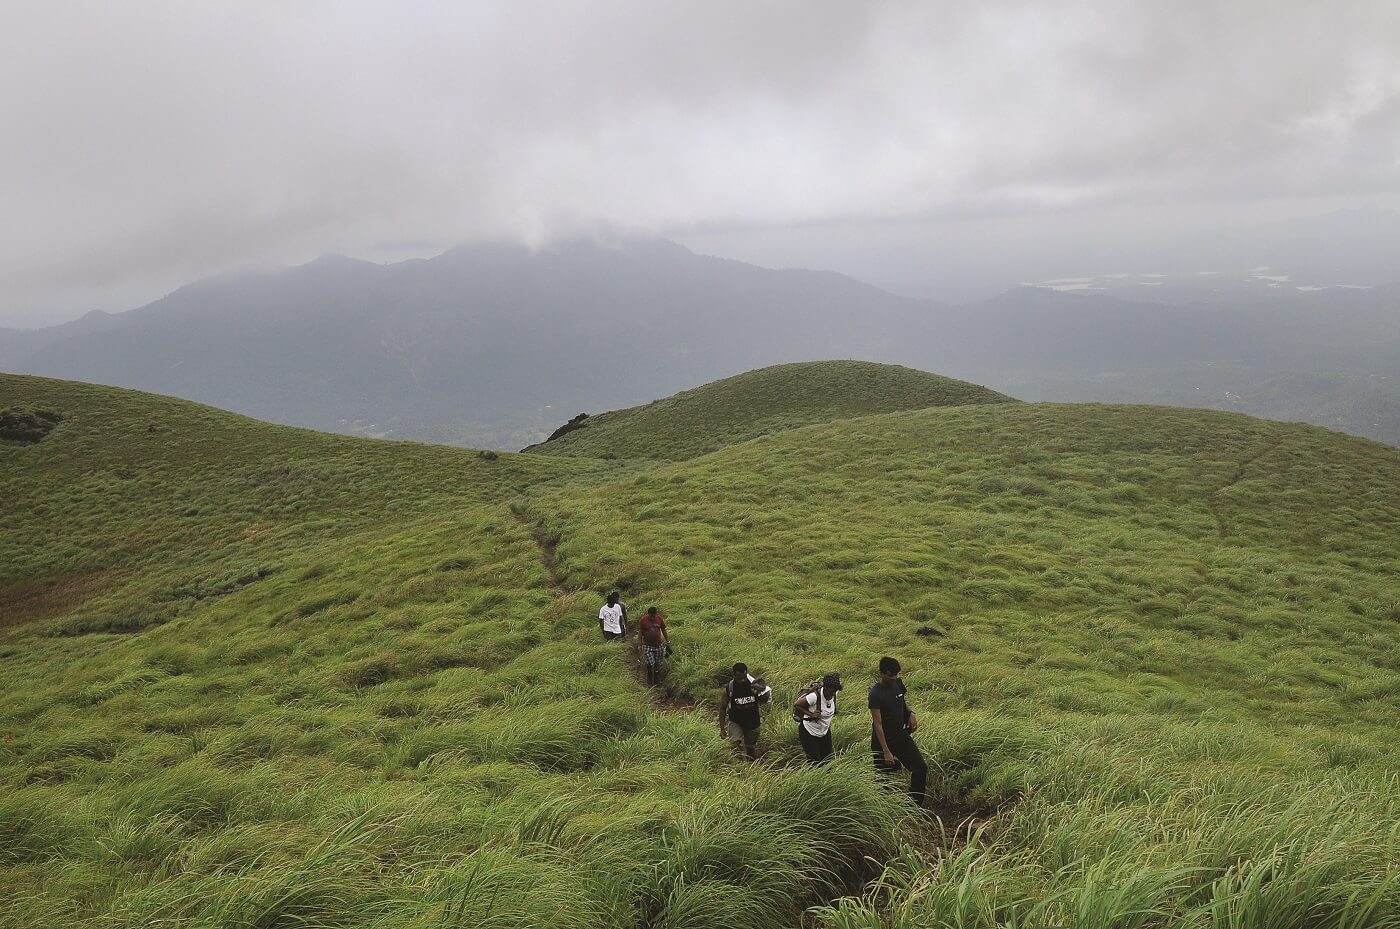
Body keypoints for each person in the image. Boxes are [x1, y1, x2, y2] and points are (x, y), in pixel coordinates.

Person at [869, 656, 927, 807]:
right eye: (890, 675)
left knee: (920, 768)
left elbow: (902, 701)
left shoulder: (898, 684)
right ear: (881, 673)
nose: (894, 678)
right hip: (882, 740)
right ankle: (882, 810)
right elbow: (878, 724)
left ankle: (914, 806)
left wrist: (911, 713)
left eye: (896, 674)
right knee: (883, 780)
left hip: (901, 736)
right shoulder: (875, 693)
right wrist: (886, 751)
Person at [719, 663, 772, 760]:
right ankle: (739, 767)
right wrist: (722, 728)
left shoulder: (754, 685)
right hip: (736, 721)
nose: (743, 680)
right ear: (734, 675)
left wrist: (760, 693)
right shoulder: (729, 688)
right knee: (734, 746)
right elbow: (722, 708)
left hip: (753, 721)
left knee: (750, 749)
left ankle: (751, 767)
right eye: (740, 678)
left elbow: (766, 699)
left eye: (744, 677)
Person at [794, 672, 841, 763]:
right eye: (831, 691)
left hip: (824, 731)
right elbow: (797, 705)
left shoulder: (834, 693)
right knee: (814, 763)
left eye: (835, 691)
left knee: (827, 761)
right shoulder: (814, 696)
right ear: (825, 687)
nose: (832, 693)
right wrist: (811, 714)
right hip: (809, 732)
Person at [638, 606, 670, 685]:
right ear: (648, 614)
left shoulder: (659, 619)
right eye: (651, 616)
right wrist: (640, 644)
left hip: (658, 645)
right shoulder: (643, 620)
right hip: (647, 645)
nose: (652, 618)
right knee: (649, 662)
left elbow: (663, 629)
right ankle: (649, 675)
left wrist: (668, 641)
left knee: (657, 662)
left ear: (656, 614)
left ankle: (656, 677)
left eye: (653, 616)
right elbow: (640, 633)